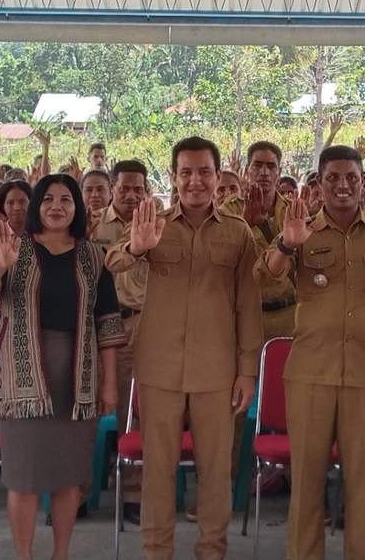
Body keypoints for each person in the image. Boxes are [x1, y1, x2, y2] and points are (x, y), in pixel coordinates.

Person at [106, 136, 262, 560]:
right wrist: (137, 248)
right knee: (158, 471)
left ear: (216, 176)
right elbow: (114, 263)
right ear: (174, 178)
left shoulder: (238, 233)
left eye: (204, 172)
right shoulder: (151, 222)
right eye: (186, 172)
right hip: (159, 369)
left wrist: (248, 372)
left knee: (216, 473)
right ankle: (157, 552)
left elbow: (249, 308)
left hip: (218, 372)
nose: (196, 181)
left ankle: (212, 551)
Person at [261, 145, 365, 560]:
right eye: (333, 178)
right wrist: (288, 245)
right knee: (306, 482)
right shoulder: (300, 231)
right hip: (311, 374)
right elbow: (268, 276)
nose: (343, 185)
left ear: (363, 183)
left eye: (351, 177)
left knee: (364, 485)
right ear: (319, 184)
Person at [0, 175, 127, 560]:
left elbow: (107, 321)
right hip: (22, 379)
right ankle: (24, 555)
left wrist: (109, 385)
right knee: (23, 478)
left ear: (77, 208)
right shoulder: (13, 248)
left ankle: (61, 553)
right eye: (49, 199)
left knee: (68, 477)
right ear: (37, 205)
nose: (57, 206)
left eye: (66, 200)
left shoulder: (92, 257)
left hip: (77, 377)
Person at [90, 159, 151, 523]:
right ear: (113, 187)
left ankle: (133, 494)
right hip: (101, 325)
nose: (131, 195)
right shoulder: (92, 223)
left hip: (144, 325)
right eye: (124, 188)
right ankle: (82, 490)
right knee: (94, 406)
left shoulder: (157, 222)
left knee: (137, 411)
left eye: (138, 189)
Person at [222, 141, 295, 339]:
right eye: (258, 165)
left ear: (279, 173)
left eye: (271, 167)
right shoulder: (229, 210)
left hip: (288, 315)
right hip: (246, 316)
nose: (264, 172)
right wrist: (246, 222)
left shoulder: (292, 210)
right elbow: (220, 258)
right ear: (247, 170)